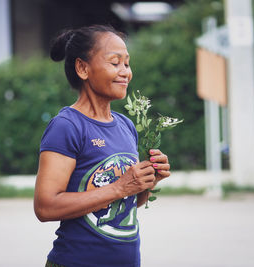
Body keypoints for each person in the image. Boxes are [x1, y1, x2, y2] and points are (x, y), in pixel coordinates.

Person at [34, 25, 171, 267]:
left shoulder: (125, 126)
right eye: (115, 62)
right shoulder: (67, 126)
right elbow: (45, 207)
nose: (125, 72)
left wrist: (146, 182)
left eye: (127, 64)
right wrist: (119, 187)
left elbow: (127, 203)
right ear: (83, 68)